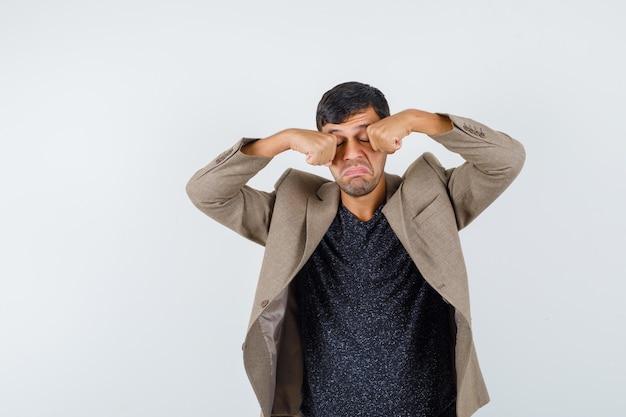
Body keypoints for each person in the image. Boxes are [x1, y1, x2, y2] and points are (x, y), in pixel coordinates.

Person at [186, 81, 525, 417]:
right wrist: (283, 140)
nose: (352, 155)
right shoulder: (293, 213)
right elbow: (206, 192)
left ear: (389, 137)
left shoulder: (434, 197)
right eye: (336, 141)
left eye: (365, 137)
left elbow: (506, 160)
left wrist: (420, 121)